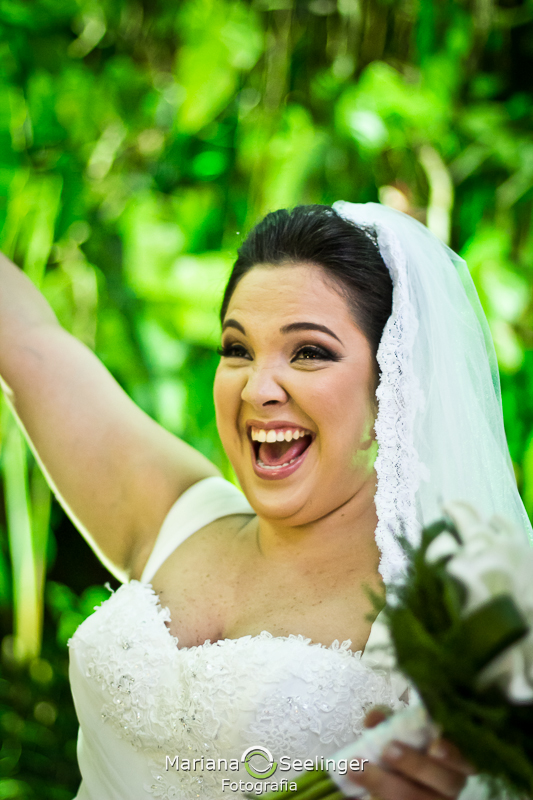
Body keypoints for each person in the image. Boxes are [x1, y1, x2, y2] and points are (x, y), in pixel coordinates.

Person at [0, 202, 529, 800]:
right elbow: (26, 340)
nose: (258, 388)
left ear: (394, 384)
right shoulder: (177, 516)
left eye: (308, 352)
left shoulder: (440, 620)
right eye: (237, 348)